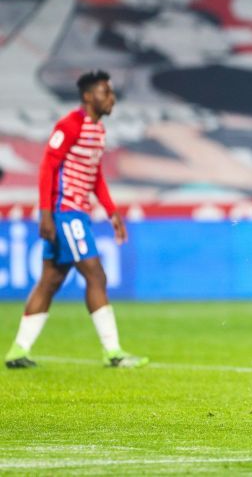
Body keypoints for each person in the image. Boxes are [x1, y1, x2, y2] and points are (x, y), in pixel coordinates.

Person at [4, 70, 148, 369]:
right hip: (64, 212)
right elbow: (47, 168)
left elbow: (95, 176)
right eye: (105, 92)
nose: (111, 98)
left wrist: (111, 212)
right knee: (96, 275)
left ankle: (18, 351)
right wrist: (46, 214)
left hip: (74, 212)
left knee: (50, 281)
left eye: (111, 92)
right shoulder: (70, 125)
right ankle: (114, 353)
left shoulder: (98, 131)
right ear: (87, 96)